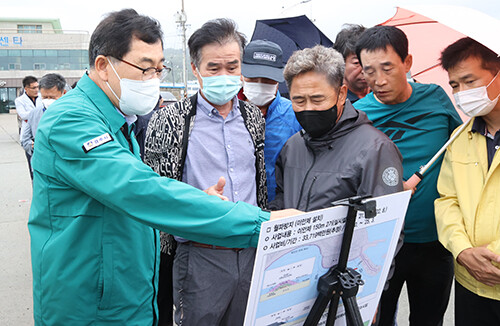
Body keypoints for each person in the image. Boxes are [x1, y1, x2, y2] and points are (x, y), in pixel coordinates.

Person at [28, 9, 294, 325]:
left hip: (126, 293)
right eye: (144, 68)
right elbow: (142, 191)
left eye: (158, 69)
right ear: (103, 66)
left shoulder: (117, 121)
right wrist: (259, 222)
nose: (153, 80)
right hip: (89, 305)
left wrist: (203, 201)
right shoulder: (72, 121)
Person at [145, 18, 267, 326]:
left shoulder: (252, 117)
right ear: (196, 68)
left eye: (232, 66)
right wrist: (199, 201)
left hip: (252, 250)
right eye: (214, 68)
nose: (224, 75)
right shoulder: (172, 120)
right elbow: (154, 193)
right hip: (201, 255)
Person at [354, 26, 462, 326]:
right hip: (379, 243)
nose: (378, 80)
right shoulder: (358, 115)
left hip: (434, 240)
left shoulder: (437, 98)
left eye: (387, 68)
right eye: (369, 71)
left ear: (408, 62)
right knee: (378, 320)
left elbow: (460, 145)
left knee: (429, 319)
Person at [269, 45, 403, 212]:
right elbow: (282, 198)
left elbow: (384, 224)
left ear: (341, 94)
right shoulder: (292, 146)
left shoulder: (375, 149)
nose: (308, 108)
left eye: (317, 99)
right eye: (299, 101)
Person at [435, 37, 500, 325]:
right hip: (470, 281)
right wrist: (461, 251)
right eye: (454, 85)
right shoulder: (459, 138)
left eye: (469, 81)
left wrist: (493, 257)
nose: (461, 93)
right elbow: (447, 200)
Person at [241, 39, 302, 201]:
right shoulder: (228, 114)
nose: (260, 84)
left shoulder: (295, 115)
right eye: (253, 78)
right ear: (242, 75)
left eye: (268, 79)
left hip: (281, 206)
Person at [20, 73, 67, 157]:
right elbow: (25, 139)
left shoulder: (72, 112)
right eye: (45, 97)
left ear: (63, 93)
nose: (48, 101)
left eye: (52, 97)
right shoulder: (34, 113)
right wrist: (32, 146)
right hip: (42, 160)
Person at [15, 75, 43, 179]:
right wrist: (39, 113)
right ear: (26, 89)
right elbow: (23, 115)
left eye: (37, 87)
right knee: (33, 167)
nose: (37, 90)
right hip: (30, 137)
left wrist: (31, 115)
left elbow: (28, 115)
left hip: (41, 133)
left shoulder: (42, 97)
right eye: (33, 88)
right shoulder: (19, 100)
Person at [333, 24, 369, 104]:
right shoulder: (336, 101)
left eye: (369, 62)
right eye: (357, 63)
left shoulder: (381, 95)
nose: (364, 70)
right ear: (341, 62)